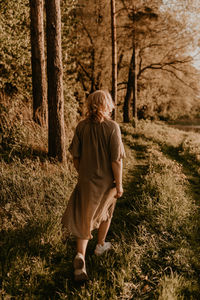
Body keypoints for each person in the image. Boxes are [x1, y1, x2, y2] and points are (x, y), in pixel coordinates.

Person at [61, 90, 125, 281]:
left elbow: (75, 157)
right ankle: (100, 245)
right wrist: (119, 184)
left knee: (84, 216)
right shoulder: (113, 127)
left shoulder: (81, 127)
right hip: (107, 181)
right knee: (107, 210)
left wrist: (83, 173)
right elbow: (116, 161)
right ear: (108, 105)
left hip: (86, 180)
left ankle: (80, 255)